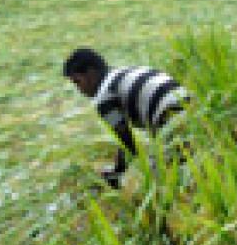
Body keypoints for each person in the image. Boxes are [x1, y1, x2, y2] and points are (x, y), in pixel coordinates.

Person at [63, 48, 189, 189]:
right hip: (191, 111)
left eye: (77, 82)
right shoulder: (121, 74)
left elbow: (127, 143)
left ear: (91, 74)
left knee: (157, 180)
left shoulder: (103, 98)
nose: (79, 90)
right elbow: (125, 139)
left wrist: (116, 174)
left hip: (169, 118)